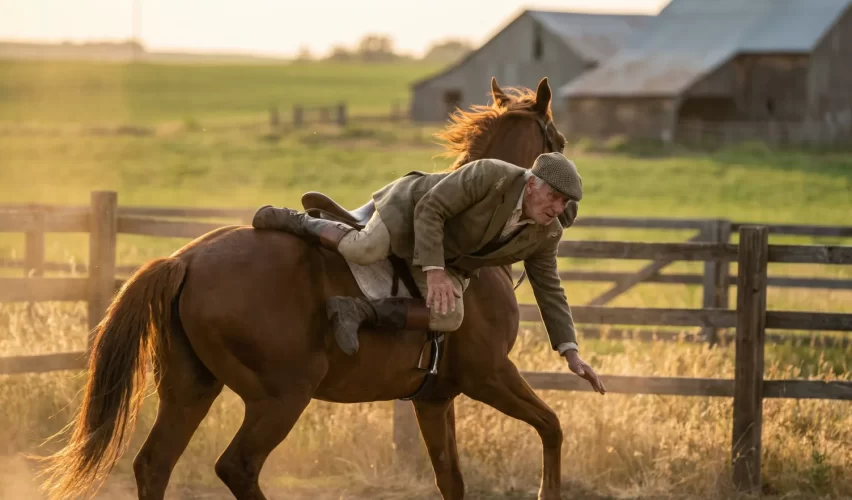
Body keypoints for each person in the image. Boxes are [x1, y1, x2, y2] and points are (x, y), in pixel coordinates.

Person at [252, 152, 605, 394]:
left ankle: (355, 310)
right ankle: (297, 221)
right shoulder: (490, 175)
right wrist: (434, 270)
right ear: (532, 184)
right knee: (364, 249)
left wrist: (570, 350)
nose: (557, 209)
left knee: (450, 314)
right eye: (554, 197)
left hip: (448, 255)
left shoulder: (548, 231)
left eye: (564, 204)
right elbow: (431, 208)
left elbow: (549, 288)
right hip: (412, 209)